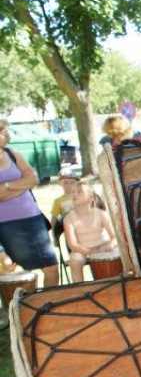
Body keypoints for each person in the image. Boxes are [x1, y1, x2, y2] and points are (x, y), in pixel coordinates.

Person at [0, 118, 59, 287]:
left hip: (32, 218)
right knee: (13, 269)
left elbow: (33, 179)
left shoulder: (13, 154)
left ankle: (49, 305)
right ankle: (23, 308)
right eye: (2, 132)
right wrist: (21, 186)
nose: (7, 134)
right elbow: (27, 181)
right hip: (6, 225)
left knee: (51, 267)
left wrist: (7, 186)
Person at [63, 183, 118, 283]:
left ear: (90, 198)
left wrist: (110, 245)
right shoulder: (68, 218)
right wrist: (89, 252)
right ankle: (80, 288)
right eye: (72, 192)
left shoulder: (101, 214)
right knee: (75, 260)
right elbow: (72, 244)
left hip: (103, 245)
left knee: (120, 252)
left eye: (79, 191)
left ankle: (117, 282)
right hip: (82, 249)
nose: (74, 194)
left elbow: (114, 237)